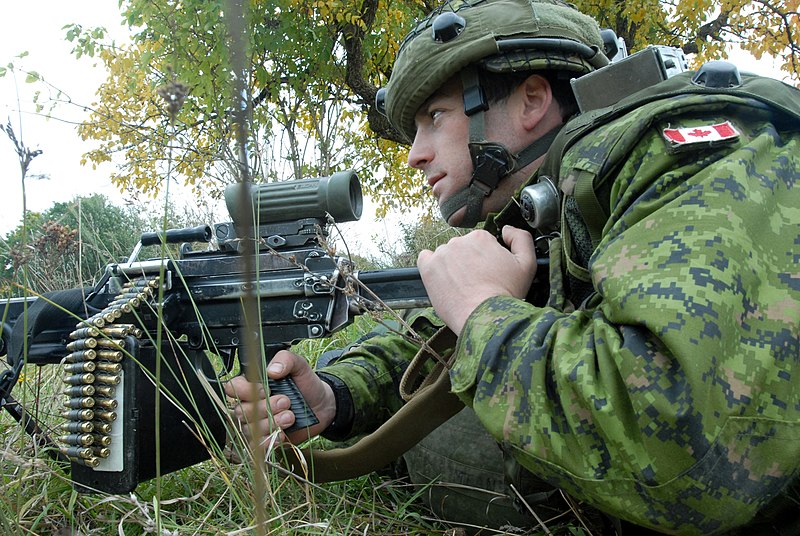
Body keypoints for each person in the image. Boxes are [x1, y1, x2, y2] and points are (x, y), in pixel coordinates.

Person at [224, 0, 800, 533]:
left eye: (435, 116)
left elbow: (686, 456)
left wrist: (483, 312)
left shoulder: (690, 152)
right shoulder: (550, 203)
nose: (415, 153)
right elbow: (434, 338)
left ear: (531, 100)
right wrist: (336, 395)